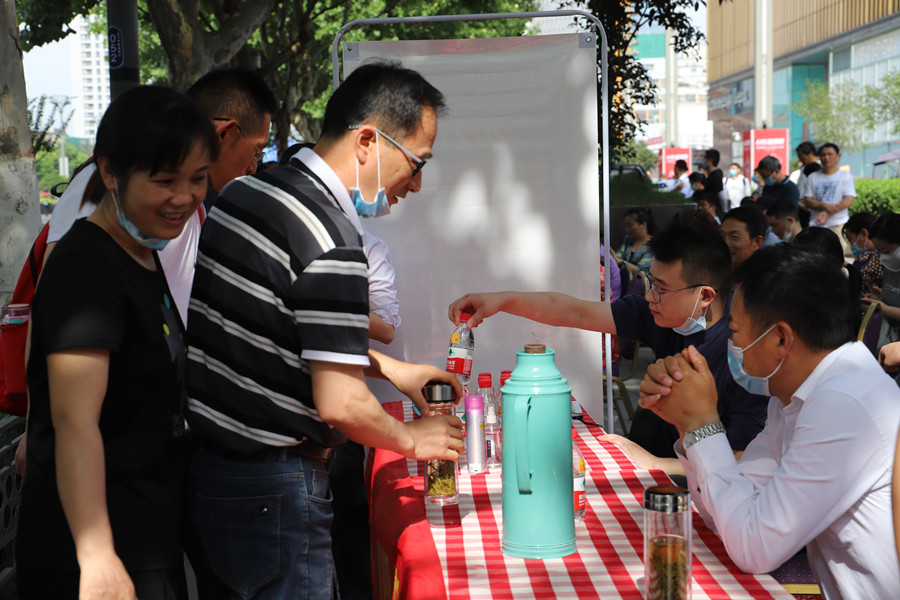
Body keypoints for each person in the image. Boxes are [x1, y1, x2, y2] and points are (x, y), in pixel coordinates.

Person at [184, 61, 463, 600]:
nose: (416, 184)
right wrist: (413, 439)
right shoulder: (332, 238)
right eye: (416, 163)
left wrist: (394, 369)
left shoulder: (242, 196)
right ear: (367, 141)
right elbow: (340, 403)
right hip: (276, 491)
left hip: (214, 478)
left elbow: (279, 331)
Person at [15, 85, 220, 599]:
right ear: (109, 172)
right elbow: (74, 422)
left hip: (146, 536)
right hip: (93, 559)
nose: (184, 197)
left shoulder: (143, 252)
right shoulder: (87, 267)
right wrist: (97, 555)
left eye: (198, 179)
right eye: (164, 180)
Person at [638, 244, 900, 599]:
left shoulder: (843, 404)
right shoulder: (794, 398)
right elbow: (726, 512)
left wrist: (702, 423)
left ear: (780, 339)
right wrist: (687, 425)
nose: (731, 344)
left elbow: (754, 547)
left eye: (734, 332)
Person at [448, 218, 769, 474]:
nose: (649, 297)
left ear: (705, 296)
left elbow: (743, 460)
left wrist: (657, 464)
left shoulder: (746, 359)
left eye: (661, 289)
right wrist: (501, 301)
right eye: (650, 282)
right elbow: (575, 311)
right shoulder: (661, 316)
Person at [44, 67, 277, 325]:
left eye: (196, 179)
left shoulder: (197, 203)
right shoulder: (110, 182)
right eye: (257, 151)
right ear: (224, 133)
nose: (254, 167)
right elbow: (58, 304)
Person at [800, 143, 856, 256]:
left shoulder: (845, 176)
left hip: (838, 225)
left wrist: (827, 212)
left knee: (838, 257)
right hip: (816, 225)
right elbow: (808, 200)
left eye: (830, 154)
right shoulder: (812, 177)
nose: (826, 157)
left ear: (837, 156)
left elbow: (848, 200)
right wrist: (825, 206)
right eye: (823, 155)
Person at [864, 212, 900, 351]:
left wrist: (884, 309)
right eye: (879, 251)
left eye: (886, 250)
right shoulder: (891, 265)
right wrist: (880, 298)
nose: (882, 257)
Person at [842, 211, 884, 296]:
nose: (851, 244)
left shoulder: (865, 259)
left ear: (864, 233)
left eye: (850, 239)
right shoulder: (885, 256)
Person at [612, 207, 656, 277]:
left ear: (643, 225)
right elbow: (617, 256)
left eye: (630, 225)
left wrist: (618, 261)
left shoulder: (653, 244)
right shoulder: (628, 240)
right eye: (627, 226)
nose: (627, 229)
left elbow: (642, 271)